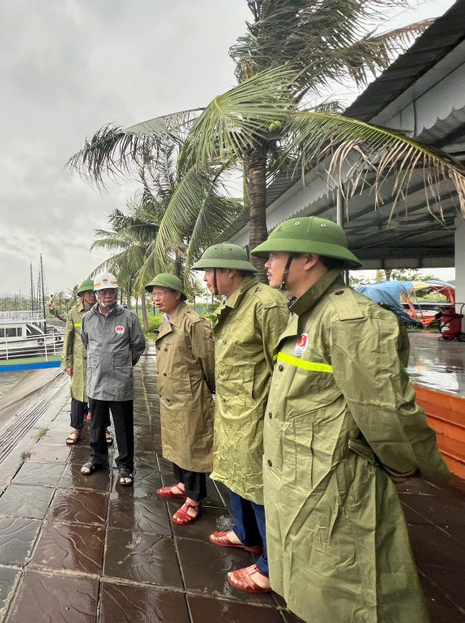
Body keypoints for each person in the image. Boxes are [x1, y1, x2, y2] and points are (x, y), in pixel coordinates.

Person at [251, 216, 451, 622]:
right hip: (300, 476)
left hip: (333, 481)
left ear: (308, 258)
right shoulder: (306, 314)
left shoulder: (350, 319)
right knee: (316, 583)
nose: (267, 264)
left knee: (352, 591)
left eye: (275, 255)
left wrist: (405, 464)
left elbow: (385, 408)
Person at [191, 244, 288, 593]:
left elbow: (283, 367)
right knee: (235, 475)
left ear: (229, 271)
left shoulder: (266, 304)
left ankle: (272, 567)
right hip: (232, 412)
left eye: (209, 271)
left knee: (259, 487)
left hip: (256, 414)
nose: (205, 278)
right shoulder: (234, 304)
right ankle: (246, 534)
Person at [145, 273, 215, 525]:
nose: (156, 298)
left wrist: (208, 391)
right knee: (176, 443)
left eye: (161, 293)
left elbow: (209, 362)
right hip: (171, 396)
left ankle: (194, 500)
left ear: (177, 295)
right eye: (154, 294)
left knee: (191, 448)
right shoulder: (168, 320)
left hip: (190, 398)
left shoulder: (193, 323)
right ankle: (182, 484)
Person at [80, 272, 145, 486]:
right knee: (97, 425)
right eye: (103, 291)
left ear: (117, 293)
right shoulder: (87, 319)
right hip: (97, 380)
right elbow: (86, 343)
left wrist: (122, 364)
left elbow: (138, 345)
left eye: (111, 291)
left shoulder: (128, 318)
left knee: (123, 427)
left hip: (120, 382)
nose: (108, 295)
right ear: (97, 294)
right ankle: (97, 458)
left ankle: (125, 465)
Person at [61, 279, 98, 445]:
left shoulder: (102, 311)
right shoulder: (73, 313)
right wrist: (67, 363)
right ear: (82, 295)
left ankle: (103, 428)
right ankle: (76, 429)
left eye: (94, 292)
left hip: (97, 361)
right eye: (88, 292)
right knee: (77, 395)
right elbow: (68, 339)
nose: (92, 295)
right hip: (79, 362)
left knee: (99, 396)